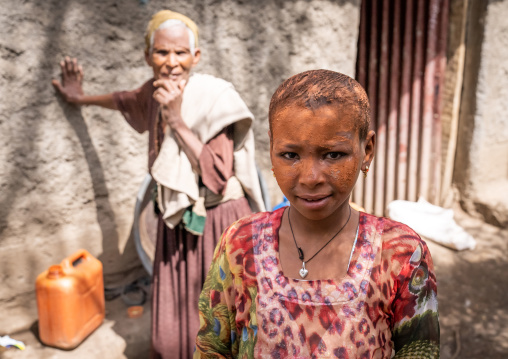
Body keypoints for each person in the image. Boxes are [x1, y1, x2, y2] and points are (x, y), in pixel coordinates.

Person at [52, 10, 265, 359]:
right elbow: (122, 99)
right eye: (162, 52)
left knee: (220, 318)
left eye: (181, 53)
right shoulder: (152, 93)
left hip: (219, 223)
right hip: (178, 220)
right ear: (147, 56)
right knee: (175, 325)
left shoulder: (215, 97)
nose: (171, 62)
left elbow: (217, 176)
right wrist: (79, 98)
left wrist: (177, 119)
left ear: (196, 57)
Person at [194, 70, 439, 358]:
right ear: (271, 148)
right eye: (290, 155)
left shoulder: (401, 253)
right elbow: (212, 348)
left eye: (333, 154)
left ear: (367, 150)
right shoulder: (239, 243)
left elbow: (421, 351)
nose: (310, 177)